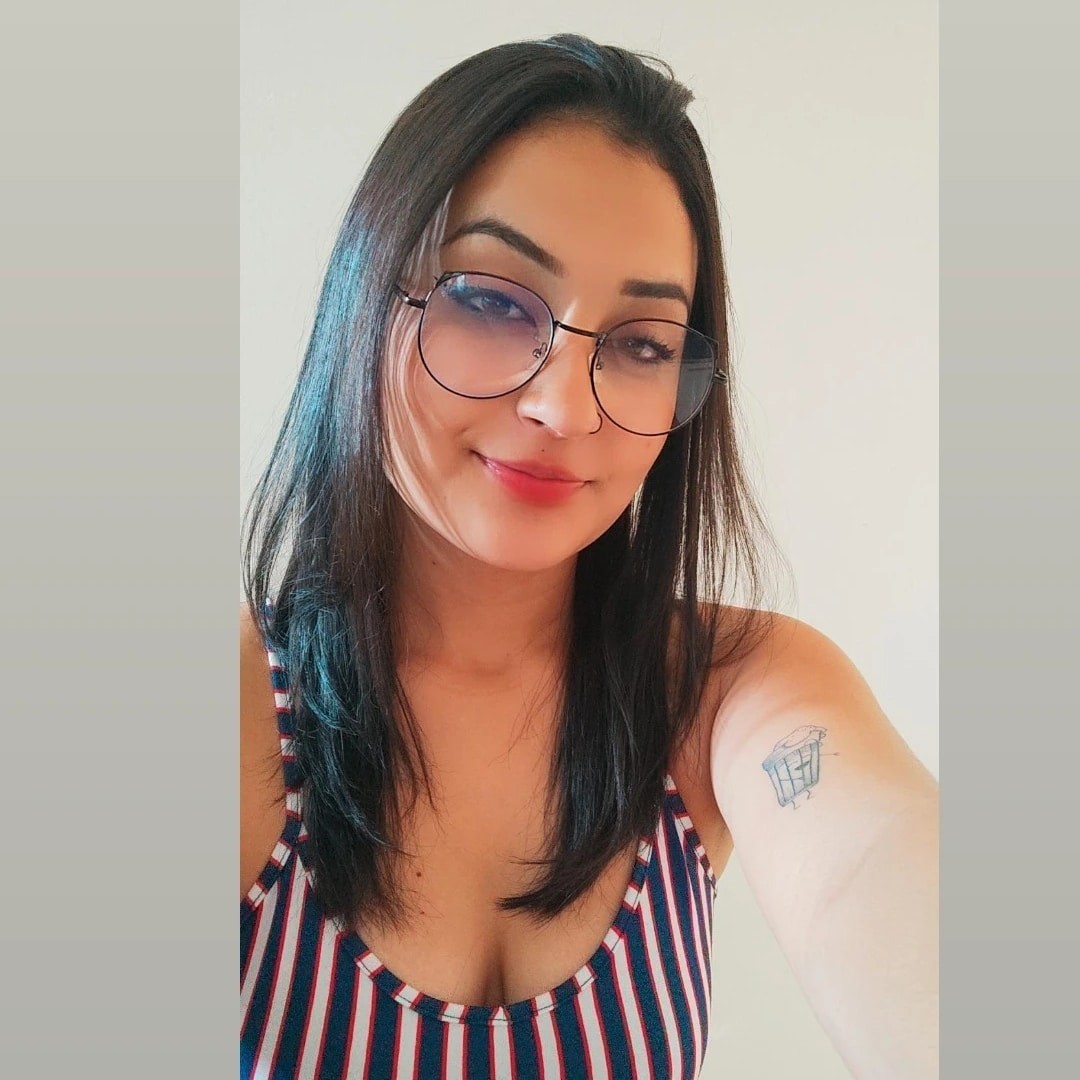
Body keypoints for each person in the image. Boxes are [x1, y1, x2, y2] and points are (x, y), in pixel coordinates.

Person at [240, 33, 939, 1080]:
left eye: (643, 343)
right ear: (366, 295)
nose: (564, 406)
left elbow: (875, 864)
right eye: (490, 299)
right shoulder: (238, 708)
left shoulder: (726, 696)